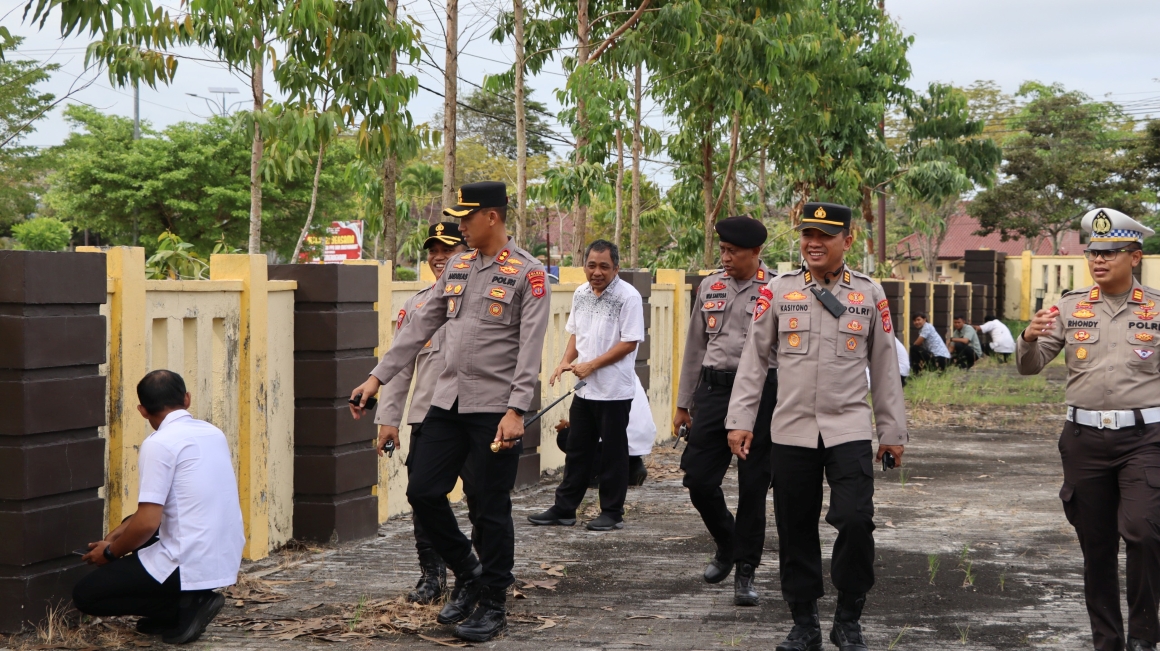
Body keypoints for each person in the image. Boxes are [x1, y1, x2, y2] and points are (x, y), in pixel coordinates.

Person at [348, 181, 550, 643]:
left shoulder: (528, 273)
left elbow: (530, 349)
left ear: (492, 218)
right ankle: (469, 570)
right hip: (447, 401)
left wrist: (517, 409)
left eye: (466, 217)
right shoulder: (458, 264)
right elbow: (420, 325)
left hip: (495, 408)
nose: (461, 226)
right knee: (422, 491)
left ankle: (493, 602)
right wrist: (377, 377)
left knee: (489, 506)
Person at [726, 202, 906, 651]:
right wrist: (741, 420)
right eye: (808, 234)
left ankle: (848, 618)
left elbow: (884, 367)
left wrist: (892, 432)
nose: (814, 243)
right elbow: (753, 359)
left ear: (848, 240)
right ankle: (804, 622)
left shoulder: (869, 293)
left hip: (847, 428)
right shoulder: (780, 291)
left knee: (856, 520)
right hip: (790, 430)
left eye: (825, 235)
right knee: (795, 527)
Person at [1017, 207, 1160, 651]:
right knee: (1096, 548)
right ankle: (1108, 642)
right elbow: (1031, 367)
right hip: (1083, 442)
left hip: (1145, 440)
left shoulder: (1156, 309)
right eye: (1093, 253)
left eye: (1110, 253)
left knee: (1143, 532)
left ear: (1134, 256)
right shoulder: (1068, 306)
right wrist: (1027, 337)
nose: (1099, 261)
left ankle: (1143, 638)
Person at [73, 370, 244, 645]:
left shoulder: (159, 444)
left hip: (188, 560)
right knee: (136, 526)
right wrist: (114, 535)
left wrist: (110, 553)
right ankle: (178, 606)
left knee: (86, 594)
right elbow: (154, 511)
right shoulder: (213, 433)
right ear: (187, 399)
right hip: (223, 552)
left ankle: (186, 606)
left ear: (142, 410)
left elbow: (148, 523)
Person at [672, 215, 778, 607]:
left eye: (733, 251)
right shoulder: (710, 286)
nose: (726, 257)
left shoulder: (777, 289)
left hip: (762, 395)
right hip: (714, 393)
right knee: (698, 480)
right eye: (723, 250)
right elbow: (695, 347)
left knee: (753, 487)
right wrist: (684, 403)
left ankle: (745, 571)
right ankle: (727, 542)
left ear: (756, 252)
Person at [375, 222, 467, 604]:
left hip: (479, 415)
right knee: (423, 497)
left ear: (469, 251)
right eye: (433, 250)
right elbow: (400, 368)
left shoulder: (484, 300)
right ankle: (432, 576)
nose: (439, 257)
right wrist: (389, 419)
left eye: (448, 249)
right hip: (428, 417)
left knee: (483, 497)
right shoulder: (416, 305)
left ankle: (481, 574)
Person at [528, 240, 645, 531]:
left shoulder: (628, 297)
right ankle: (564, 509)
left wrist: (592, 365)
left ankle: (612, 512)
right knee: (578, 449)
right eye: (591, 265)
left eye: (604, 266)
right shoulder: (581, 293)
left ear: (616, 268)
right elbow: (575, 335)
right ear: (584, 266)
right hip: (586, 389)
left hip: (615, 391)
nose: (597, 272)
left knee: (613, 454)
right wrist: (564, 362)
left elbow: (629, 343)